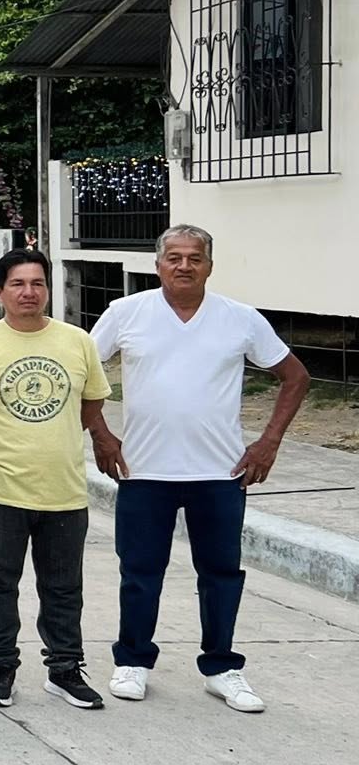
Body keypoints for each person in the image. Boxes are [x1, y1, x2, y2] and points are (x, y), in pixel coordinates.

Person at [89, 225, 310, 712]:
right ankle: (132, 660)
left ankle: (222, 667)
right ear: (157, 264)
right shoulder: (126, 313)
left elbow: (295, 376)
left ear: (210, 265)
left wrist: (268, 442)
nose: (184, 266)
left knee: (221, 573)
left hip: (220, 472)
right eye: (174, 257)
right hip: (145, 470)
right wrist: (101, 434)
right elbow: (81, 369)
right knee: (140, 571)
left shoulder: (240, 318)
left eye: (195, 257)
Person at [0, 248, 114, 710]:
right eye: (18, 284)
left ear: (48, 289)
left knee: (63, 588)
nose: (29, 292)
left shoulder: (77, 342)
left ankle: (64, 669)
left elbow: (93, 400)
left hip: (64, 491)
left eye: (38, 283)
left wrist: (61, 434)